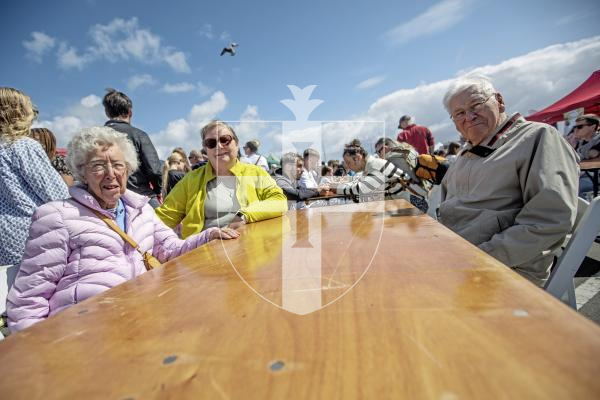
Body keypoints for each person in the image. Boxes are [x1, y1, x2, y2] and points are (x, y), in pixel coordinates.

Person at [6, 126, 239, 332]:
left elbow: (171, 249)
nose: (110, 173)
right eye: (98, 165)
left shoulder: (142, 209)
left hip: (141, 320)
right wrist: (41, 355)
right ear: (81, 172)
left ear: (128, 170)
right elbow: (28, 301)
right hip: (83, 333)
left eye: (118, 165)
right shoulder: (57, 217)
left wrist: (208, 235)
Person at [440, 75, 578, 286]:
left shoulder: (537, 137)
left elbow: (548, 220)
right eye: (459, 113)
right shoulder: (465, 154)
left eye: (476, 104)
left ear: (499, 101)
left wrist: (478, 258)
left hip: (501, 266)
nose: (469, 116)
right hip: (453, 254)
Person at [156, 120, 288, 237]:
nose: (219, 146)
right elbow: (163, 218)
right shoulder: (190, 180)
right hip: (204, 252)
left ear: (236, 143)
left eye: (225, 140)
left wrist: (244, 216)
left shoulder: (255, 173)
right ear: (206, 150)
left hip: (251, 246)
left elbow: (279, 202)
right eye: (211, 143)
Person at [0, 88, 69, 300]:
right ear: (19, 112)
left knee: (10, 294)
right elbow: (56, 193)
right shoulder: (23, 146)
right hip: (29, 232)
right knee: (39, 294)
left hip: (5, 236)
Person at [328, 139, 428, 212]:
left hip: (416, 205)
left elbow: (361, 189)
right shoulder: (370, 166)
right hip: (404, 204)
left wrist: (334, 187)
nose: (348, 167)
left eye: (349, 162)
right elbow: (358, 182)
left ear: (358, 158)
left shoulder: (376, 165)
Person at [103, 88, 163, 208]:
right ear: (130, 112)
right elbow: (154, 170)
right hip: (140, 195)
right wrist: (158, 190)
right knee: (163, 224)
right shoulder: (139, 135)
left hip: (107, 199)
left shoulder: (96, 136)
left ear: (107, 113)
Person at [572, 114, 600, 197]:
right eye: (575, 127)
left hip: (595, 178)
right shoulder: (580, 143)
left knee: (573, 188)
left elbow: (595, 156)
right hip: (584, 176)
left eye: (580, 127)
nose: (576, 130)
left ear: (592, 127)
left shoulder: (598, 139)